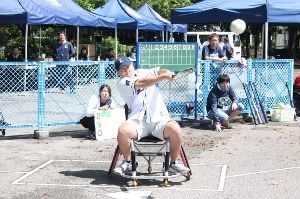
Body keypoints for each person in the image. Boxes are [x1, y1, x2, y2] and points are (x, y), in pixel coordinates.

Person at [113, 56, 190, 175]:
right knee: (123, 131)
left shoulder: (142, 71)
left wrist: (167, 72)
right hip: (138, 122)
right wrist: (163, 77)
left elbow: (159, 70)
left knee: (175, 128)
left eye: (128, 66)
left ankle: (173, 163)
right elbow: (143, 83)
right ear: (119, 72)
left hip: (158, 119)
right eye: (122, 69)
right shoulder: (123, 83)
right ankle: (128, 163)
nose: (126, 70)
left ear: (132, 65)